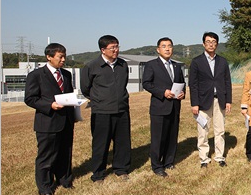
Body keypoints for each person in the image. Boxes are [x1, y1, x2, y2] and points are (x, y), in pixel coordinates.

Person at [24, 43, 75, 195]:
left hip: (66, 121)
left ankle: (64, 179)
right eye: (60, 56)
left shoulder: (66, 74)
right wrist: (49, 105)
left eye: (64, 56)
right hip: (47, 122)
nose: (63, 60)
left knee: (65, 152)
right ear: (49, 57)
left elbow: (68, 94)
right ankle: (45, 186)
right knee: (46, 156)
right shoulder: (36, 75)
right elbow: (30, 99)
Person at [81, 35, 132, 183]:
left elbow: (124, 83)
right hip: (101, 111)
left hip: (121, 109)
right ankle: (98, 173)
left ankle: (121, 169)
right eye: (112, 48)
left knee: (122, 142)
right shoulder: (92, 66)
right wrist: (99, 99)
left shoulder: (122, 64)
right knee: (100, 144)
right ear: (103, 50)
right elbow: (85, 88)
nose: (116, 50)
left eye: (117, 46)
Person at [142, 37, 186, 177]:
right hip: (159, 107)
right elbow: (147, 84)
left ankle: (169, 161)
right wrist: (162, 92)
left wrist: (182, 94)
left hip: (174, 106)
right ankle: (157, 165)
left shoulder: (177, 66)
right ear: (158, 49)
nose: (167, 49)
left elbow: (182, 83)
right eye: (164, 46)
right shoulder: (151, 65)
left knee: (172, 136)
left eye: (170, 46)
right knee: (158, 137)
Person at [189, 32, 232, 168]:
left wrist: (228, 100)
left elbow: (227, 82)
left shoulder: (222, 61)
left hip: (219, 100)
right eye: (208, 42)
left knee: (220, 130)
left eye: (213, 42)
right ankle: (204, 159)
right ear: (203, 44)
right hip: (202, 101)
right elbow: (193, 84)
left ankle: (220, 156)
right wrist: (194, 103)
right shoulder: (196, 62)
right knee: (203, 131)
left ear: (217, 44)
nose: (211, 44)